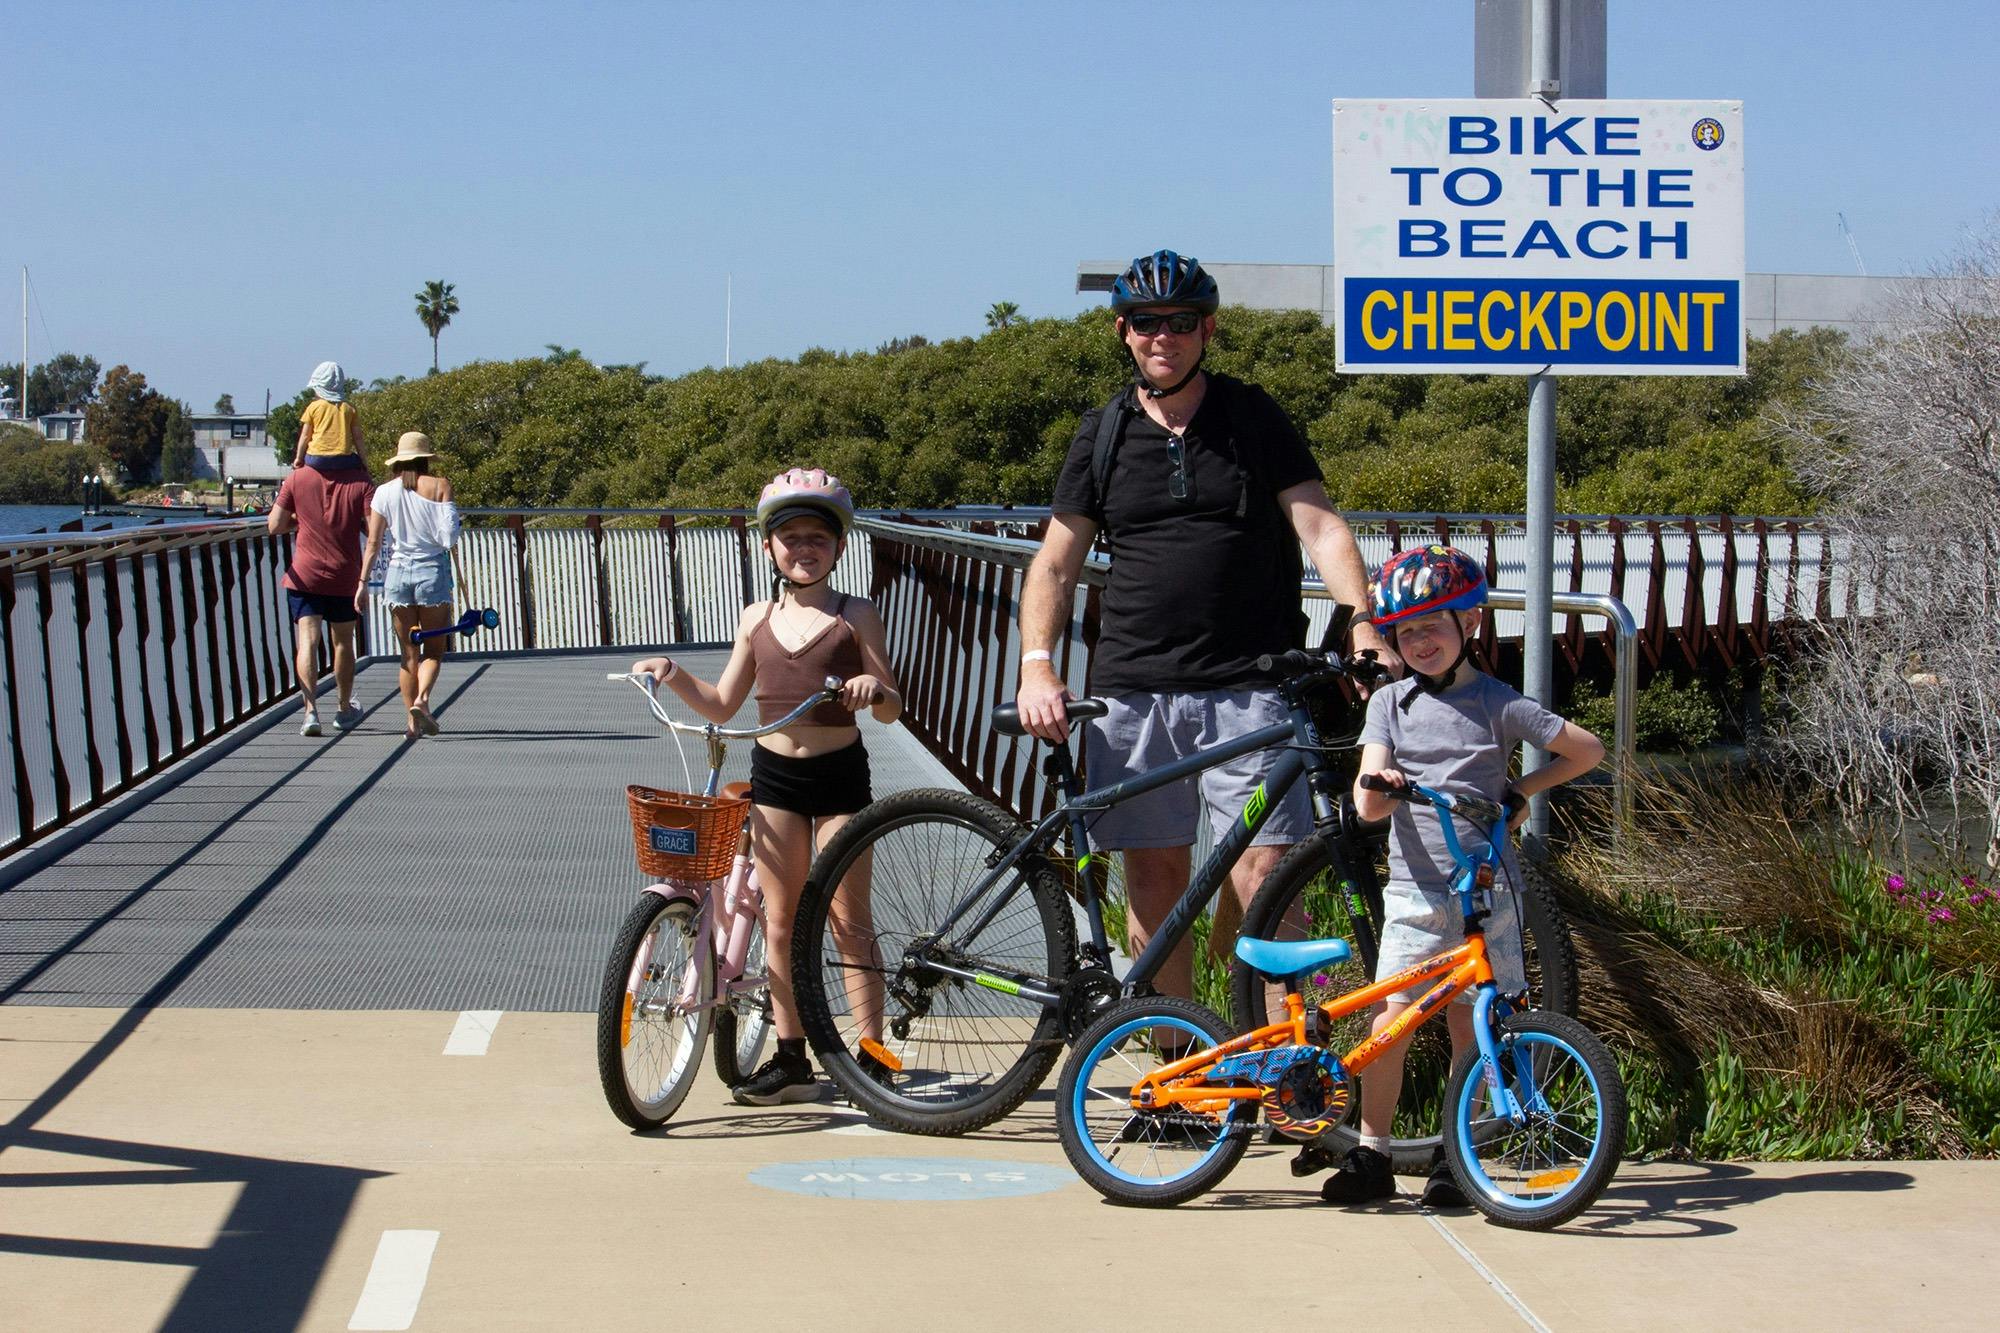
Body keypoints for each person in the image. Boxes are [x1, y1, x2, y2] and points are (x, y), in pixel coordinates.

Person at [1015, 249, 1400, 1003]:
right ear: (1125, 331)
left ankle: (1267, 1056)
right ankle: (1176, 1069)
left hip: (1253, 685)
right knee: (1156, 888)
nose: (1166, 336)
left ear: (1208, 329)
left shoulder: (1251, 415)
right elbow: (1056, 564)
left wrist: (1362, 626)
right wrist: (1037, 661)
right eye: (1149, 322)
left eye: (1182, 321)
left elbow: (1321, 529)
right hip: (1133, 688)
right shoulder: (1102, 434)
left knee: (1267, 876)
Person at [1323, 544, 1605, 1208]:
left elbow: (1585, 749)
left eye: (1434, 624)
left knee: (1473, 1026)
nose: (1419, 640)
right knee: (1389, 1023)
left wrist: (1521, 788)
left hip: (1488, 892)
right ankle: (1373, 1150)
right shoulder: (1389, 705)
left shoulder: (1498, 702)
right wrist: (1387, 786)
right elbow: (1366, 803)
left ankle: (1456, 1154)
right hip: (1416, 893)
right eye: (1406, 630)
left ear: (1470, 623)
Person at [630, 467, 903, 1105]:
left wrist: (874, 691)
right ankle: (790, 1057)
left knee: (847, 919)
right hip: (775, 776)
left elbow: (892, 705)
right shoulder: (756, 617)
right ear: (769, 546)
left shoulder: (856, 612)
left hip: (840, 775)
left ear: (839, 547)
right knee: (781, 922)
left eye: (818, 538)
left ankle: (874, 1053)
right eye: (791, 537)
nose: (804, 548)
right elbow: (725, 705)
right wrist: (672, 674)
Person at [268, 418, 374, 737]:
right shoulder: (361, 483)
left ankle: (310, 712)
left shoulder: (297, 478)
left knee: (307, 642)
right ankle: (343, 709)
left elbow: (274, 525)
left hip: (304, 575)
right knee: (343, 642)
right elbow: (373, 530)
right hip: (344, 575)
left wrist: (301, 522)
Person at [357, 433, 460, 739]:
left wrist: (362, 583)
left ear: (399, 462)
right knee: (433, 650)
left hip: (398, 575)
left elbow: (374, 542)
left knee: (407, 653)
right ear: (427, 458)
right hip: (431, 574)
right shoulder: (441, 486)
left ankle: (411, 724)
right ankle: (423, 700)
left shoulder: (383, 493)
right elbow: (448, 538)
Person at [292, 361, 364, 471]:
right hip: (342, 459)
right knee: (355, 460)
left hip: (316, 458)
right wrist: (364, 462)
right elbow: (358, 438)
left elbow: (305, 436)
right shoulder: (350, 408)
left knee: (307, 459)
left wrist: (299, 458)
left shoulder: (313, 407)